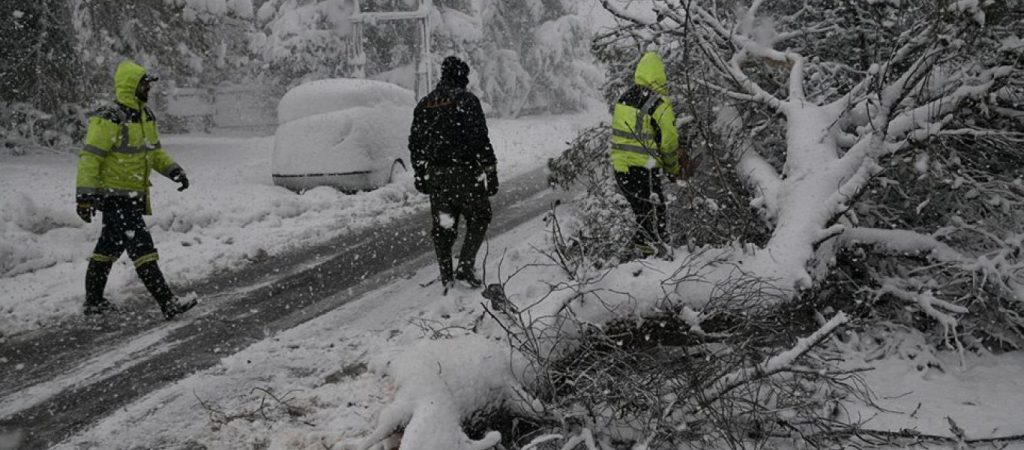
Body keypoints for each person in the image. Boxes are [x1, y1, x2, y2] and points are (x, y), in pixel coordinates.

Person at [75, 59, 197, 319]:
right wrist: (84, 197)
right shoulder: (109, 117)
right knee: (142, 248)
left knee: (108, 248)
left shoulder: (145, 116)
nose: (148, 89)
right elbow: (91, 157)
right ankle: (168, 302)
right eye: (144, 84)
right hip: (114, 196)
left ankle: (94, 302)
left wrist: (173, 170)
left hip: (133, 195)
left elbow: (153, 153)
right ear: (131, 85)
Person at [409, 56, 498, 292]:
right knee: (479, 216)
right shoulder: (467, 101)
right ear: (462, 77)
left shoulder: (425, 104)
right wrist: (491, 171)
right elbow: (481, 140)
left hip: (437, 175)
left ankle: (446, 275)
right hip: (465, 172)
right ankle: (466, 266)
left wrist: (420, 173)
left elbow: (415, 144)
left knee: (444, 226)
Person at [609, 51, 692, 258]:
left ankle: (642, 257)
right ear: (660, 77)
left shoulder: (624, 98)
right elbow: (670, 139)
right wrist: (673, 168)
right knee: (657, 217)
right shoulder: (658, 103)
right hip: (643, 169)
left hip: (621, 169)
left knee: (643, 214)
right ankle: (655, 261)